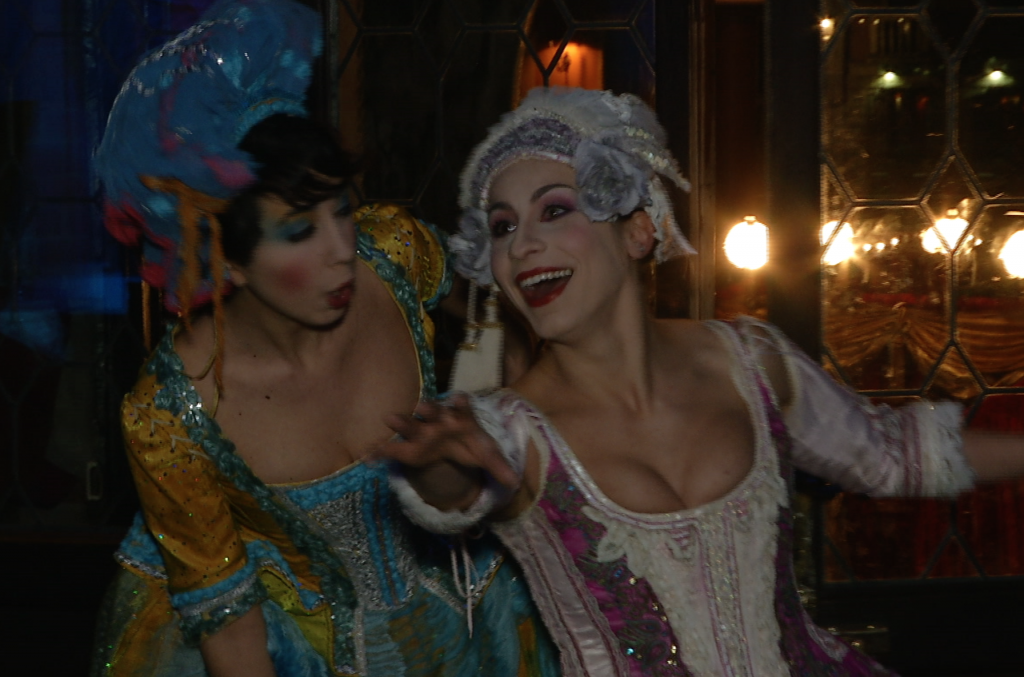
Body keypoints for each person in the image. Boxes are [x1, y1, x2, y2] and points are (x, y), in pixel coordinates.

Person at [382, 87, 1024, 676]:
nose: (522, 246)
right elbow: (448, 493)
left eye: (554, 210)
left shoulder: (750, 361)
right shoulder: (508, 428)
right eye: (502, 226)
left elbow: (892, 454)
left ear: (639, 230)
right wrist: (440, 467)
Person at [90, 2, 561, 676]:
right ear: (226, 257)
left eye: (340, 210)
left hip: (470, 618)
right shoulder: (170, 415)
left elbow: (498, 294)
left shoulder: (392, 254)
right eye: (298, 230)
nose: (344, 249)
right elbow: (230, 624)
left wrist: (520, 381)